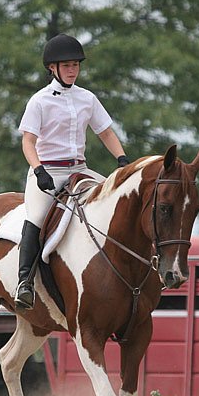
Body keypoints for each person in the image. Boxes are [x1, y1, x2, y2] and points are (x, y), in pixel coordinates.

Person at [15, 33, 130, 310]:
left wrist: (123, 160)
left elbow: (105, 132)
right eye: (66, 65)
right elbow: (28, 141)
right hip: (48, 172)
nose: (72, 70)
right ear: (52, 68)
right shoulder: (39, 101)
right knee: (37, 217)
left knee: (116, 204)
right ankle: (24, 283)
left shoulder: (87, 98)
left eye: (76, 65)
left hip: (80, 169)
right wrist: (38, 169)